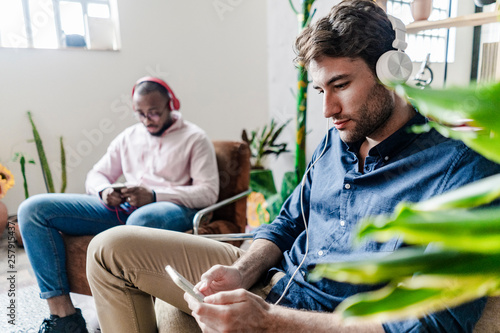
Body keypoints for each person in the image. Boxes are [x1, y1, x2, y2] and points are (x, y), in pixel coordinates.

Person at [87, 1, 500, 332]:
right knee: (110, 249)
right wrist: (240, 272)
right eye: (320, 89)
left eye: (340, 86)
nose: (328, 110)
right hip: (275, 282)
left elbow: (434, 324)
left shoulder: (461, 166)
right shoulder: (341, 135)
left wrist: (269, 323)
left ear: (392, 72)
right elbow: (286, 223)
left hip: (325, 321)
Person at [17, 76, 219, 333]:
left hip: (169, 209)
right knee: (33, 210)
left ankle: (131, 315)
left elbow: (208, 192)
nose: (147, 120)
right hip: (122, 208)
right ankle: (64, 317)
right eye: (141, 114)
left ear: (171, 103)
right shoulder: (129, 137)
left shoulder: (195, 138)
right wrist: (104, 190)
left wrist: (155, 195)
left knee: (139, 223)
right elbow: (96, 174)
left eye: (154, 113)